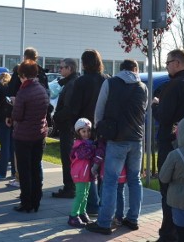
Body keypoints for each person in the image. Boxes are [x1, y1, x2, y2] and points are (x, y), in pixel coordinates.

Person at [87, 59, 147, 235]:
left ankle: (104, 222)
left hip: (116, 138)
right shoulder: (143, 87)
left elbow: (99, 109)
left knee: (110, 181)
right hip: (137, 139)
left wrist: (100, 129)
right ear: (135, 69)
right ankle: (133, 218)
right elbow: (143, 112)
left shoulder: (110, 83)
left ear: (121, 70)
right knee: (135, 180)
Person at [151, 49, 184, 242]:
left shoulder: (173, 86)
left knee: (168, 191)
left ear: (177, 63)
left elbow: (164, 117)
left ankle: (169, 234)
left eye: (167, 63)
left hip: (172, 147)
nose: (166, 67)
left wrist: (155, 105)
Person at [68, 49, 107, 215]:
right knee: (102, 167)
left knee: (87, 168)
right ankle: (103, 203)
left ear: (84, 63)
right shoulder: (107, 80)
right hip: (103, 129)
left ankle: (92, 205)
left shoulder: (81, 82)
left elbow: (74, 108)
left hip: (85, 130)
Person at [10, 59, 49, 212]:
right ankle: (36, 201)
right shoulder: (41, 89)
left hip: (24, 136)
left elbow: (18, 115)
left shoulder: (23, 92)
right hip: (39, 134)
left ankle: (26, 202)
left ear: (24, 75)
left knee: (24, 171)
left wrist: (13, 106)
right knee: (35, 168)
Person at [50, 58, 80, 199]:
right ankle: (69, 186)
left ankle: (70, 187)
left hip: (67, 127)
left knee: (67, 158)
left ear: (70, 69)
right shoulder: (70, 83)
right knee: (67, 158)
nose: (60, 70)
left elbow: (69, 109)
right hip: (67, 126)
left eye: (62, 68)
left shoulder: (72, 84)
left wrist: (56, 117)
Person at [68, 118, 97, 228]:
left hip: (87, 174)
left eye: (88, 131)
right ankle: (73, 216)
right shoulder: (79, 144)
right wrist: (95, 147)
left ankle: (82, 212)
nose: (86, 133)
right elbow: (84, 154)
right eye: (83, 131)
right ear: (78, 132)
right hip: (79, 173)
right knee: (80, 195)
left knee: (85, 195)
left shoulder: (89, 143)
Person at [0, 72, 15, 180]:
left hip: (2, 118)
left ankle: (2, 172)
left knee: (4, 146)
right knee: (12, 146)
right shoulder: (12, 87)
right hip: (13, 118)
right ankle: (14, 172)